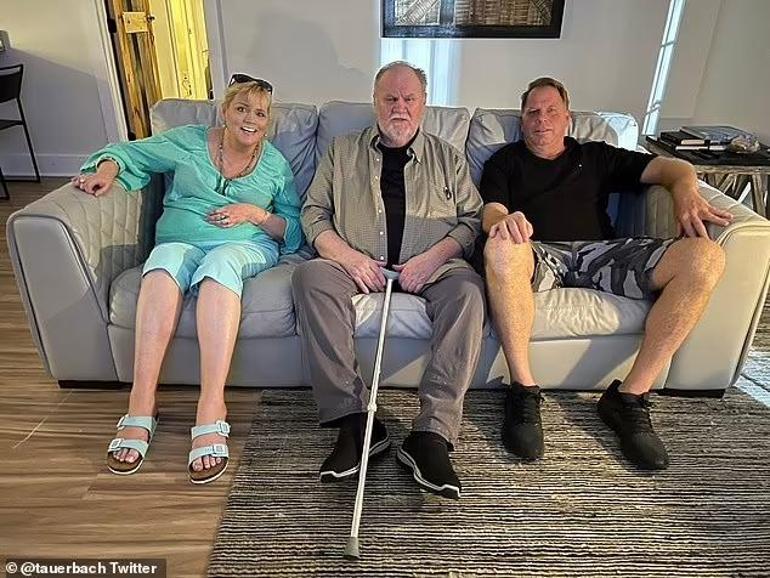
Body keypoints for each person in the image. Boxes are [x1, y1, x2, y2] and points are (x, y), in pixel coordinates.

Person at [480, 77, 732, 470]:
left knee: (706, 257)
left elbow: (672, 166)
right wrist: (504, 221)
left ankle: (629, 397)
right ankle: (523, 390)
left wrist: (685, 188)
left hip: (602, 253)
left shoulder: (596, 155)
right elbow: (491, 211)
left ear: (568, 118)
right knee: (499, 246)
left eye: (551, 111)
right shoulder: (504, 161)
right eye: (532, 112)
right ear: (522, 119)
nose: (541, 119)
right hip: (538, 252)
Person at [73, 74, 303, 484]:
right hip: (179, 239)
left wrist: (254, 214)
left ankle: (211, 406)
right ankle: (142, 402)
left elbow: (294, 227)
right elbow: (130, 153)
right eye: (242, 109)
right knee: (162, 265)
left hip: (244, 245)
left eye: (260, 114)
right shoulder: (189, 141)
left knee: (220, 269)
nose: (250, 120)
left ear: (268, 122)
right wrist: (105, 172)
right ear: (225, 111)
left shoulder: (275, 165)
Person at [292, 61, 485, 499]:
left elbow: (472, 221)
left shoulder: (448, 157)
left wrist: (431, 259)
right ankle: (356, 422)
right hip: (356, 260)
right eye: (390, 98)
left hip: (433, 265)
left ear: (423, 103)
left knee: (470, 293)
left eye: (409, 98)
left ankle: (432, 434)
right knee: (310, 277)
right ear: (375, 102)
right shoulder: (342, 151)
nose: (400, 107)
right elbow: (313, 213)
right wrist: (348, 257)